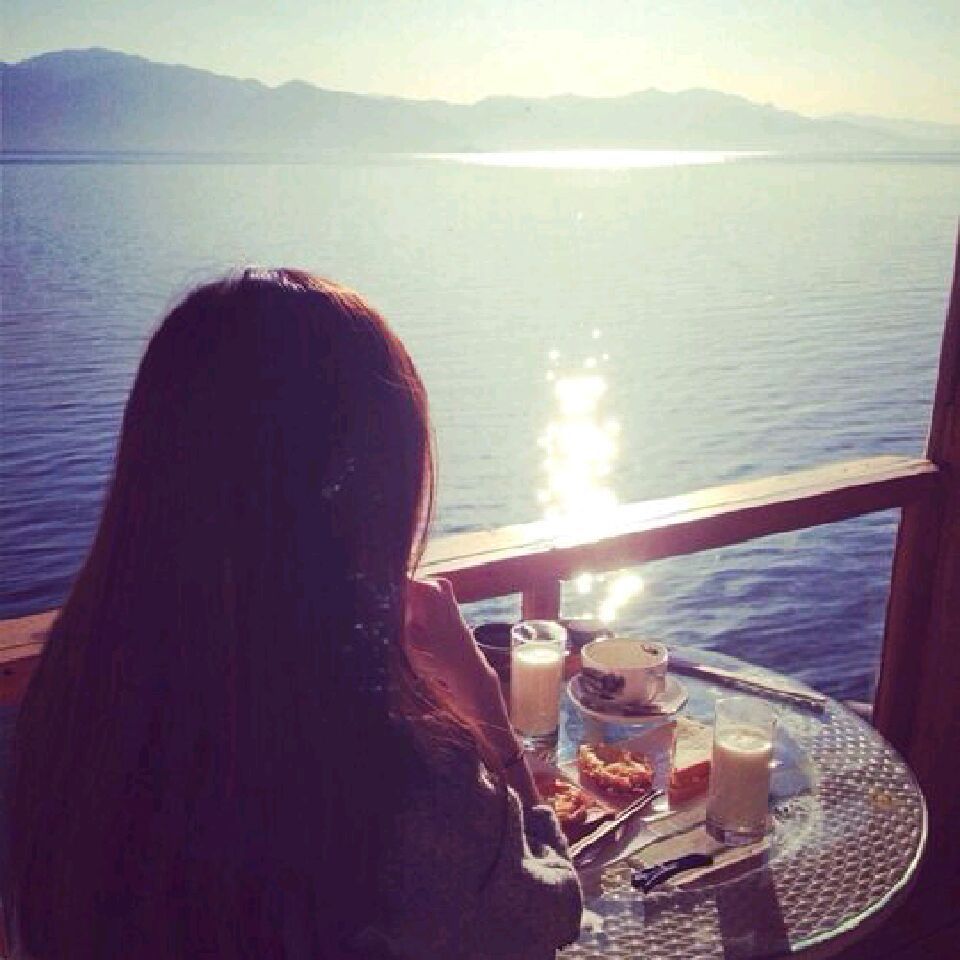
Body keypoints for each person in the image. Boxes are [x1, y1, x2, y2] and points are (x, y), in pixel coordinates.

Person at [3, 269, 582, 959]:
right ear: (369, 493)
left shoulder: (68, 716)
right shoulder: (400, 784)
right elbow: (549, 913)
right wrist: (485, 705)